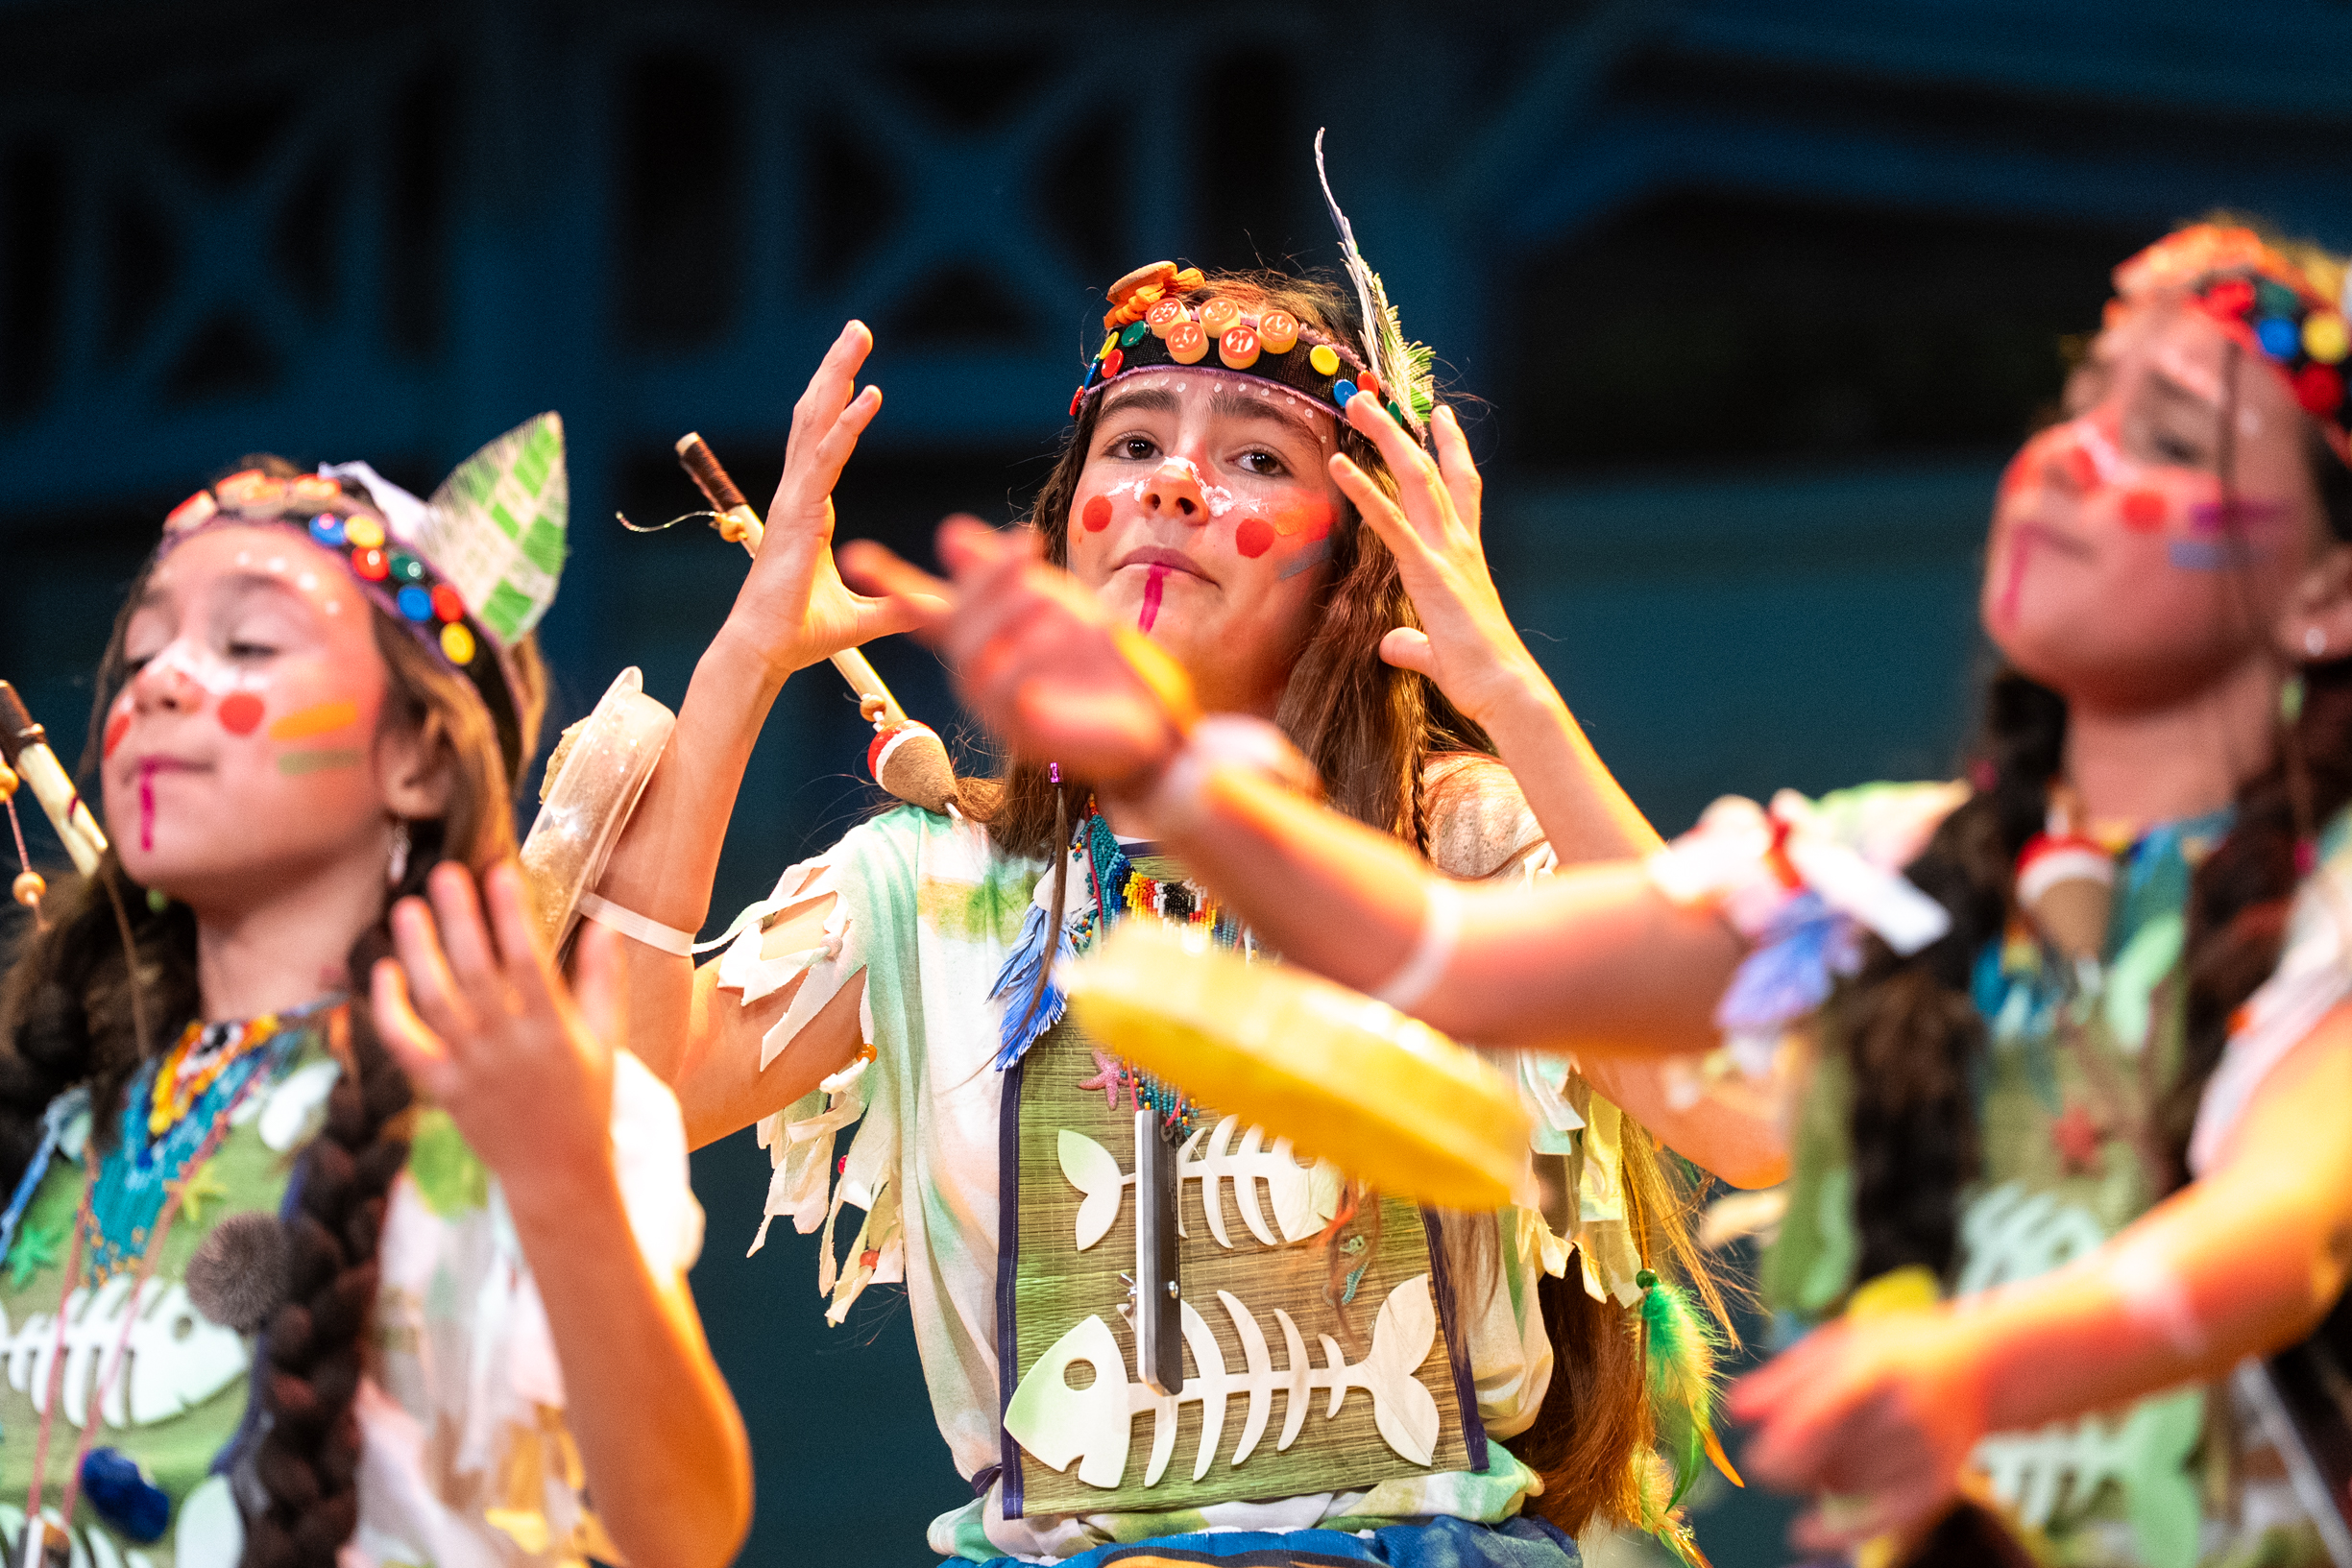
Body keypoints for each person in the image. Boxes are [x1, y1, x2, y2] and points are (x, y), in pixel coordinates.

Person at [852, 220, 2352, 1566]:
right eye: (2085, 402)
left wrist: (1980, 1369)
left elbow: (2285, 1225)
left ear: (2327, 596)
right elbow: (1445, 949)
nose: (2074, 459)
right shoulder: (1905, 866)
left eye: (2166, 435)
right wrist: (1170, 770)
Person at [588, 240, 1779, 1566]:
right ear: (1064, 529)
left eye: (1259, 459)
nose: (1175, 481)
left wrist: (1505, 685)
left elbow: (1738, 1111)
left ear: (1356, 569)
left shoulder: (1457, 848)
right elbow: (623, 1103)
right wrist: (744, 659)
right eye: (1133, 443)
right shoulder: (931, 890)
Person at [0, 422, 751, 1567]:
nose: (159, 682)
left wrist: (561, 1182)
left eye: (248, 642)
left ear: (417, 758)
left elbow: (683, 1529)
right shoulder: (60, 1122)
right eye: (143, 648)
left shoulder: (519, 1114)